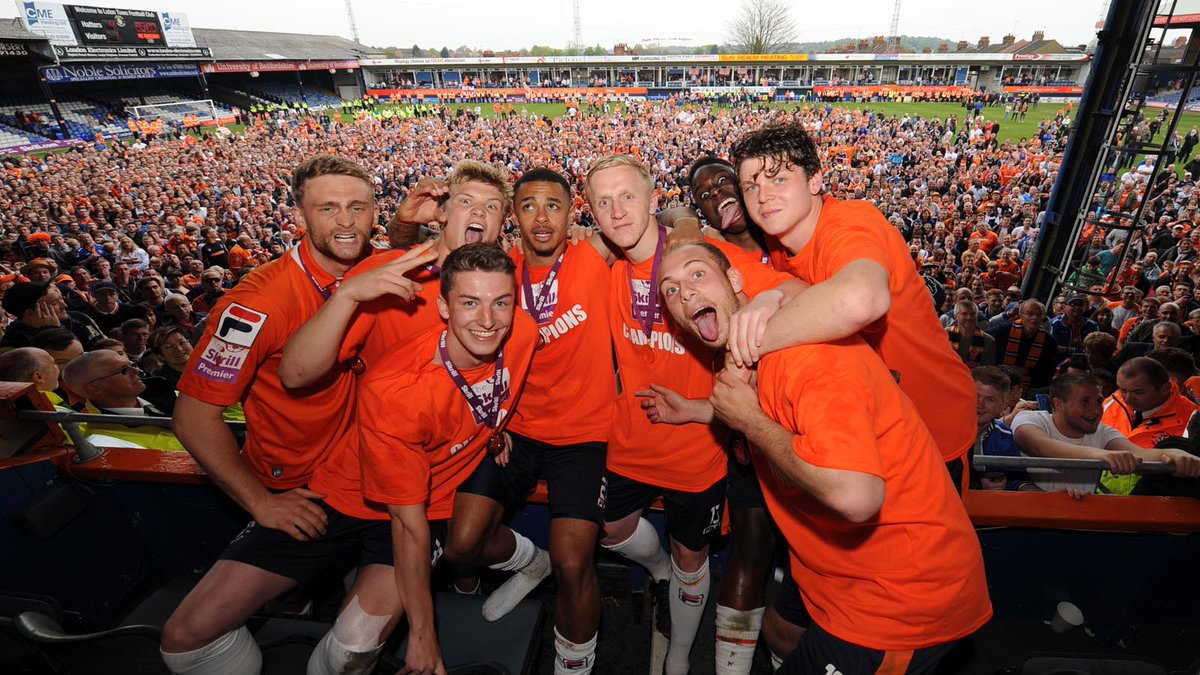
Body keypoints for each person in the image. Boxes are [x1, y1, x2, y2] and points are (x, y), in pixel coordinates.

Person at [656, 241, 992, 673]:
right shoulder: (750, 352)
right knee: (779, 631)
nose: (683, 294)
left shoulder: (806, 359)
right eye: (670, 289)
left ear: (736, 281)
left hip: (898, 599)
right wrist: (700, 410)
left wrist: (750, 422)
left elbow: (856, 496)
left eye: (698, 275)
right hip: (831, 571)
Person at [160, 155, 434, 675]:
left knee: (353, 643)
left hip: (386, 482)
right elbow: (193, 417)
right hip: (299, 494)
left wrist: (404, 225)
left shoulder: (382, 268)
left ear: (376, 209)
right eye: (328, 208)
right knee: (185, 640)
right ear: (300, 216)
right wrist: (262, 502)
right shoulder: (256, 304)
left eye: (358, 207)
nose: (347, 221)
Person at [278, 161, 553, 616]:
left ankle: (499, 571)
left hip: (473, 442)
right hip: (394, 454)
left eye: (491, 206)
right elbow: (299, 374)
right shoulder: (389, 272)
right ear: (442, 214)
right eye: (465, 202)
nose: (478, 213)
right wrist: (400, 233)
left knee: (462, 543)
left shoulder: (509, 270)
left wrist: (496, 421)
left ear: (503, 222)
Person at [313, 243, 541, 675]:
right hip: (381, 495)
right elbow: (407, 523)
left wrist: (498, 424)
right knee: (348, 649)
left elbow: (495, 386)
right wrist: (423, 632)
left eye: (501, 303)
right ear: (442, 306)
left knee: (355, 639)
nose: (488, 320)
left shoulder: (522, 332)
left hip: (443, 484)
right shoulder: (396, 391)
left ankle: (532, 562)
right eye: (470, 303)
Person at [720, 122, 977, 488]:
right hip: (868, 428)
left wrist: (749, 344)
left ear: (815, 181)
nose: (762, 196)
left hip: (932, 424)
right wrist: (776, 294)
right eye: (751, 186)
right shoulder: (781, 244)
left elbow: (861, 299)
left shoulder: (849, 222)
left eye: (778, 179)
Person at [588, 156, 728, 675]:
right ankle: (658, 570)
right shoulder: (603, 273)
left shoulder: (698, 262)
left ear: (653, 200)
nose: (617, 211)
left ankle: (680, 654)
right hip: (632, 438)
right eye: (603, 202)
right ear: (594, 215)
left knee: (694, 556)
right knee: (611, 528)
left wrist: (702, 410)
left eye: (627, 196)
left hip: (697, 442)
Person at [490, 168, 613, 674]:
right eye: (528, 206)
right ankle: (527, 561)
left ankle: (573, 667)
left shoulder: (595, 254)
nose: (541, 218)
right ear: (512, 214)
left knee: (574, 563)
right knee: (460, 539)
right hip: (516, 429)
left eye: (554, 206)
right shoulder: (498, 270)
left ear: (572, 212)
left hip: (584, 435)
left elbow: (672, 220)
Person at [1011, 373, 1200, 495]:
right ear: (1059, 404)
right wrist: (1103, 456)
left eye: (1098, 401)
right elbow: (1040, 446)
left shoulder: (1103, 431)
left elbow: (1140, 454)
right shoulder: (1031, 419)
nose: (1096, 410)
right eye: (1085, 402)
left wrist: (1177, 454)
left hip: (1083, 518)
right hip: (1033, 516)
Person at [1099, 357, 1199, 494]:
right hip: (1100, 500)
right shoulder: (1109, 404)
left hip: (1156, 505)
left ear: (1164, 389)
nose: (1128, 398)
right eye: (1123, 390)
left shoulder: (1191, 416)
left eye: (1138, 392)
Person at [60, 349, 183, 452]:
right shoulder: (104, 443)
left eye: (132, 365)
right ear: (95, 388)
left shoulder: (173, 394)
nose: (138, 371)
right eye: (124, 370)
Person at [971, 366, 1035, 491]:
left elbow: (1015, 480)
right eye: (975, 395)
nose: (979, 404)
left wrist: (1045, 497)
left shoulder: (1003, 435)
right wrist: (977, 484)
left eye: (990, 399)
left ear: (1002, 407)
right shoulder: (940, 428)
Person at [0, 281, 104, 350]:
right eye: (55, 303)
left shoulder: (79, 318)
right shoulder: (14, 344)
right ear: (30, 313)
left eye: (61, 299)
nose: (64, 305)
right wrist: (51, 331)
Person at [989, 300, 1061, 389]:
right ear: (1021, 315)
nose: (1034, 318)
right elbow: (986, 341)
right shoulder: (1004, 331)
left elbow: (1048, 372)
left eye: (1039, 315)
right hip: (996, 380)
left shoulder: (1049, 342)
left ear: (1043, 318)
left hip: (1029, 388)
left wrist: (1027, 371)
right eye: (1030, 314)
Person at [948, 299, 997, 368]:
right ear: (956, 317)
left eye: (973, 314)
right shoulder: (943, 335)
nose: (969, 317)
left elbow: (987, 369)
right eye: (964, 314)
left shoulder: (988, 341)